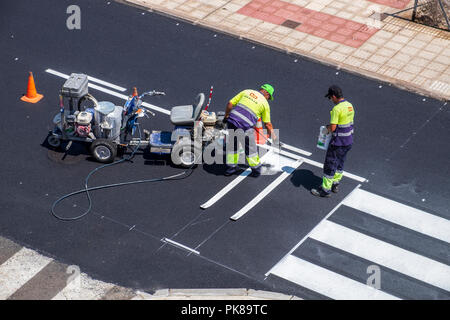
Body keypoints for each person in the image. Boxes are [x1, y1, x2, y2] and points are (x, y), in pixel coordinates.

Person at [223, 84, 277, 177]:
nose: (268, 99)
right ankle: (256, 170)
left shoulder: (247, 91)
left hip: (232, 121)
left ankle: (230, 169)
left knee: (233, 146)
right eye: (269, 97)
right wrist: (273, 136)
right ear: (267, 94)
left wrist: (226, 116)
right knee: (250, 148)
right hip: (245, 127)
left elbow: (230, 104)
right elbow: (267, 124)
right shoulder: (265, 103)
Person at [311, 85, 355, 197]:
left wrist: (326, 129)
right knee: (340, 163)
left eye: (330, 98)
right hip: (348, 141)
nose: (331, 100)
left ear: (334, 96)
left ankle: (325, 190)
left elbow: (333, 128)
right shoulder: (350, 105)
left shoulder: (337, 109)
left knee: (330, 165)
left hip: (338, 143)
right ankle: (335, 184)